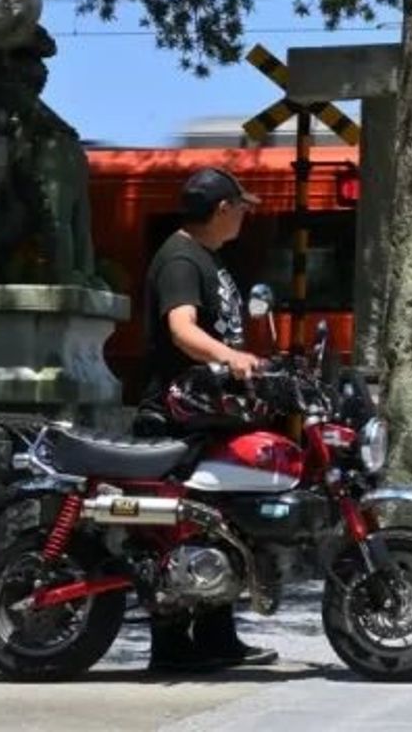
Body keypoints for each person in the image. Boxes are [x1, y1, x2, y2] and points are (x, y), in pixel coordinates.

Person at [135, 167, 277, 673]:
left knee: (220, 522)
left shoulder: (206, 257)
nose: (245, 216)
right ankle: (171, 648)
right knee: (175, 528)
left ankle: (218, 637)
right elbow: (182, 330)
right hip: (176, 417)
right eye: (241, 207)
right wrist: (232, 358)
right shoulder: (179, 258)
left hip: (207, 413)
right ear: (222, 209)